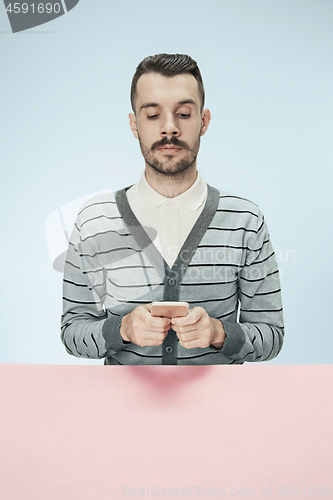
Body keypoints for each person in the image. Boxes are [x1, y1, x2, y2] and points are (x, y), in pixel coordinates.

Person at [61, 53, 284, 365]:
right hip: (120, 411)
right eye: (152, 115)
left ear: (203, 121)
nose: (169, 128)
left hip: (220, 410)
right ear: (134, 124)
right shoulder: (95, 219)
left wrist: (220, 332)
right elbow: (72, 331)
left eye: (183, 113)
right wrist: (121, 328)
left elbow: (271, 335)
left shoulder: (245, 220)